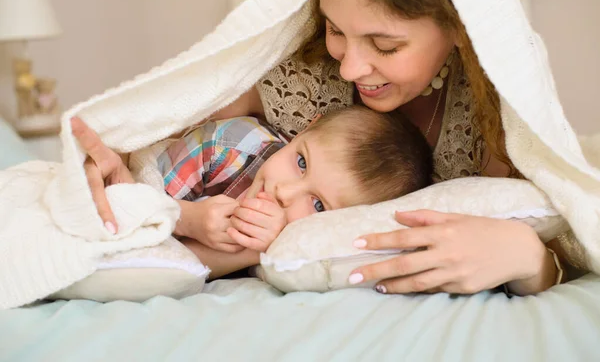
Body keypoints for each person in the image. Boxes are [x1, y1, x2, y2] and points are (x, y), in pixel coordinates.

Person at [74, 0, 573, 296]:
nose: (352, 68)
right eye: (336, 29)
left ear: (460, 27)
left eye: (385, 45)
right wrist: (111, 160)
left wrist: (527, 257)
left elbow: (553, 238)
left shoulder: (492, 119)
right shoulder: (302, 77)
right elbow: (166, 129)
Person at [73, 105, 433, 279]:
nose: (284, 192)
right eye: (302, 162)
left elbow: (174, 270)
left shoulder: (299, 242)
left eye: (319, 203)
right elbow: (136, 211)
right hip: (157, 179)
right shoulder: (229, 145)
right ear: (307, 128)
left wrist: (251, 250)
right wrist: (189, 219)